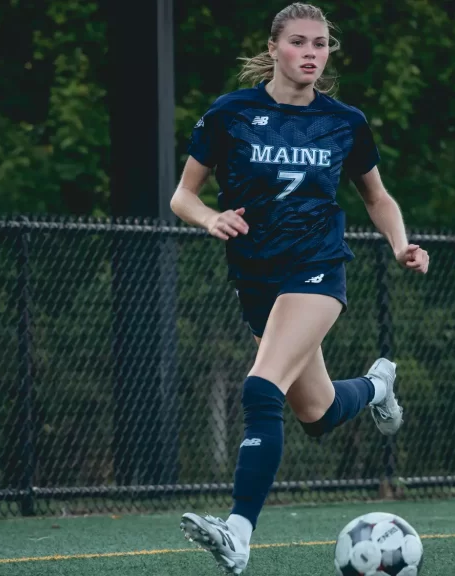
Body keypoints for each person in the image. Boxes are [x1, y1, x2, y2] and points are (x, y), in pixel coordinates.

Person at [169, 3, 429, 573]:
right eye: (300, 43)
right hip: (256, 280)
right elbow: (182, 196)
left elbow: (376, 198)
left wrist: (399, 245)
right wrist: (209, 219)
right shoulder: (230, 114)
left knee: (262, 387)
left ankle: (237, 533)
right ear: (275, 49)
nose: (312, 53)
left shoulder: (344, 121)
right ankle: (376, 386)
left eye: (321, 43)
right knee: (319, 412)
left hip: (317, 268)